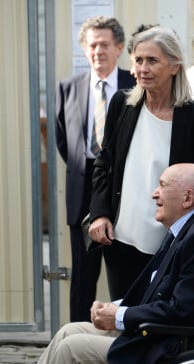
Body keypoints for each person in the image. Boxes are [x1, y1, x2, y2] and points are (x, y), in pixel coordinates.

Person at [25, 163, 194, 364]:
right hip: (153, 334)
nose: (155, 194)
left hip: (166, 347)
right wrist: (114, 308)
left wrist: (119, 316)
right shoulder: (186, 229)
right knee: (68, 331)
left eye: (163, 186)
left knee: (70, 349)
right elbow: (158, 292)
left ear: (188, 198)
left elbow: (182, 309)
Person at [88, 26, 194, 300]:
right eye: (138, 60)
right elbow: (105, 163)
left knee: (156, 324)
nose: (143, 68)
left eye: (152, 61)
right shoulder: (122, 105)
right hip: (121, 240)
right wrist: (100, 212)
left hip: (171, 245)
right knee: (122, 319)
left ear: (174, 66)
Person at [54, 16, 135, 322]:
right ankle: (75, 341)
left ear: (119, 48)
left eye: (104, 44)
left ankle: (124, 342)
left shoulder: (134, 85)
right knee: (83, 278)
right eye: (92, 45)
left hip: (122, 190)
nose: (97, 51)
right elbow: (65, 142)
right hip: (83, 192)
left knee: (124, 275)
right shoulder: (68, 88)